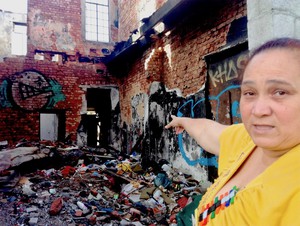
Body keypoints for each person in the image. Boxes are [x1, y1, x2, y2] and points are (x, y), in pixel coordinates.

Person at [165, 37, 300, 226]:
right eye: (250, 93)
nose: (259, 110)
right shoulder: (249, 142)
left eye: (280, 92)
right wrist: (182, 121)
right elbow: (210, 132)